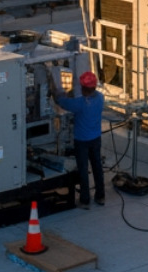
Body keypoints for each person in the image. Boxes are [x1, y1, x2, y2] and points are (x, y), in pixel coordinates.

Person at [56, 70, 105, 209]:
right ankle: (100, 196)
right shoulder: (100, 98)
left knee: (83, 169)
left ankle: (85, 199)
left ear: (84, 88)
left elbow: (63, 103)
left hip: (82, 141)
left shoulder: (81, 103)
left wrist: (58, 95)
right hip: (96, 138)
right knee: (97, 166)